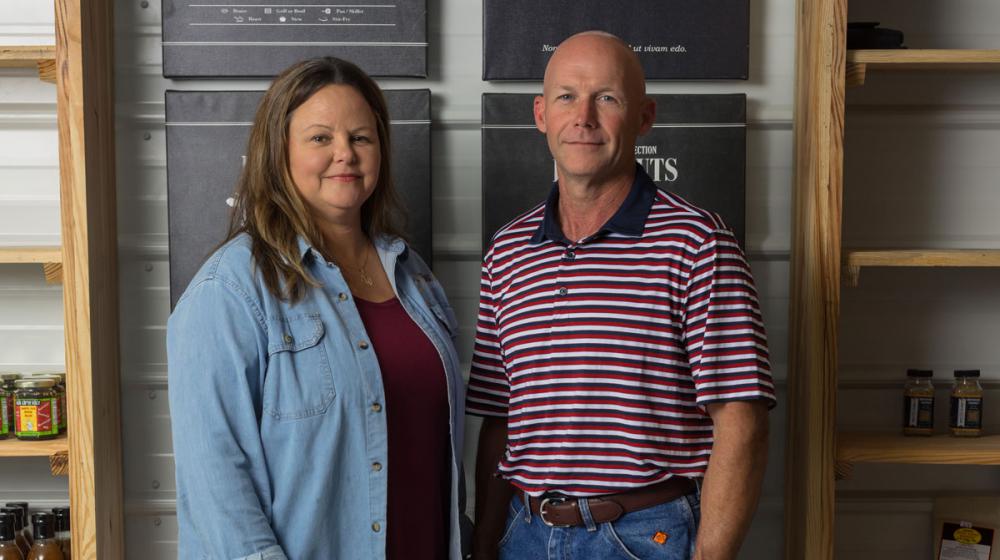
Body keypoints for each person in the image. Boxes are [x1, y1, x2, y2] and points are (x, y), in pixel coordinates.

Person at [466, 31, 776, 560]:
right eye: (567, 96)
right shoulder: (508, 250)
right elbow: (501, 419)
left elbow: (741, 420)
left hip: (643, 535)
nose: (583, 116)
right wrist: (485, 544)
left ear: (644, 117)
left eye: (606, 98)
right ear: (541, 114)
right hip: (524, 531)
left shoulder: (697, 242)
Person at [167, 56, 468, 560]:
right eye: (320, 138)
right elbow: (215, 481)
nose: (345, 154)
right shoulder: (231, 289)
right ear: (278, 152)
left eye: (361, 138)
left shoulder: (411, 273)